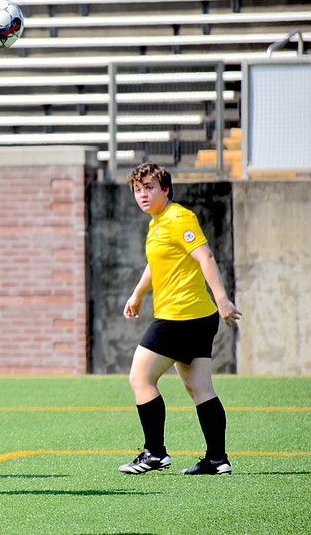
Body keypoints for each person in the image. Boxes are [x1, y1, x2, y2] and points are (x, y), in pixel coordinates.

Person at [119, 162, 242, 476]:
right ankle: (217, 459)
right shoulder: (157, 223)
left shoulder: (179, 217)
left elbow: (205, 256)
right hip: (194, 317)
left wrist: (223, 299)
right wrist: (137, 294)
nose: (143, 195)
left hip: (181, 316)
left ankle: (154, 453)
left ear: (165, 190)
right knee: (199, 387)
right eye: (137, 190)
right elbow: (156, 264)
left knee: (140, 378)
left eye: (149, 188)